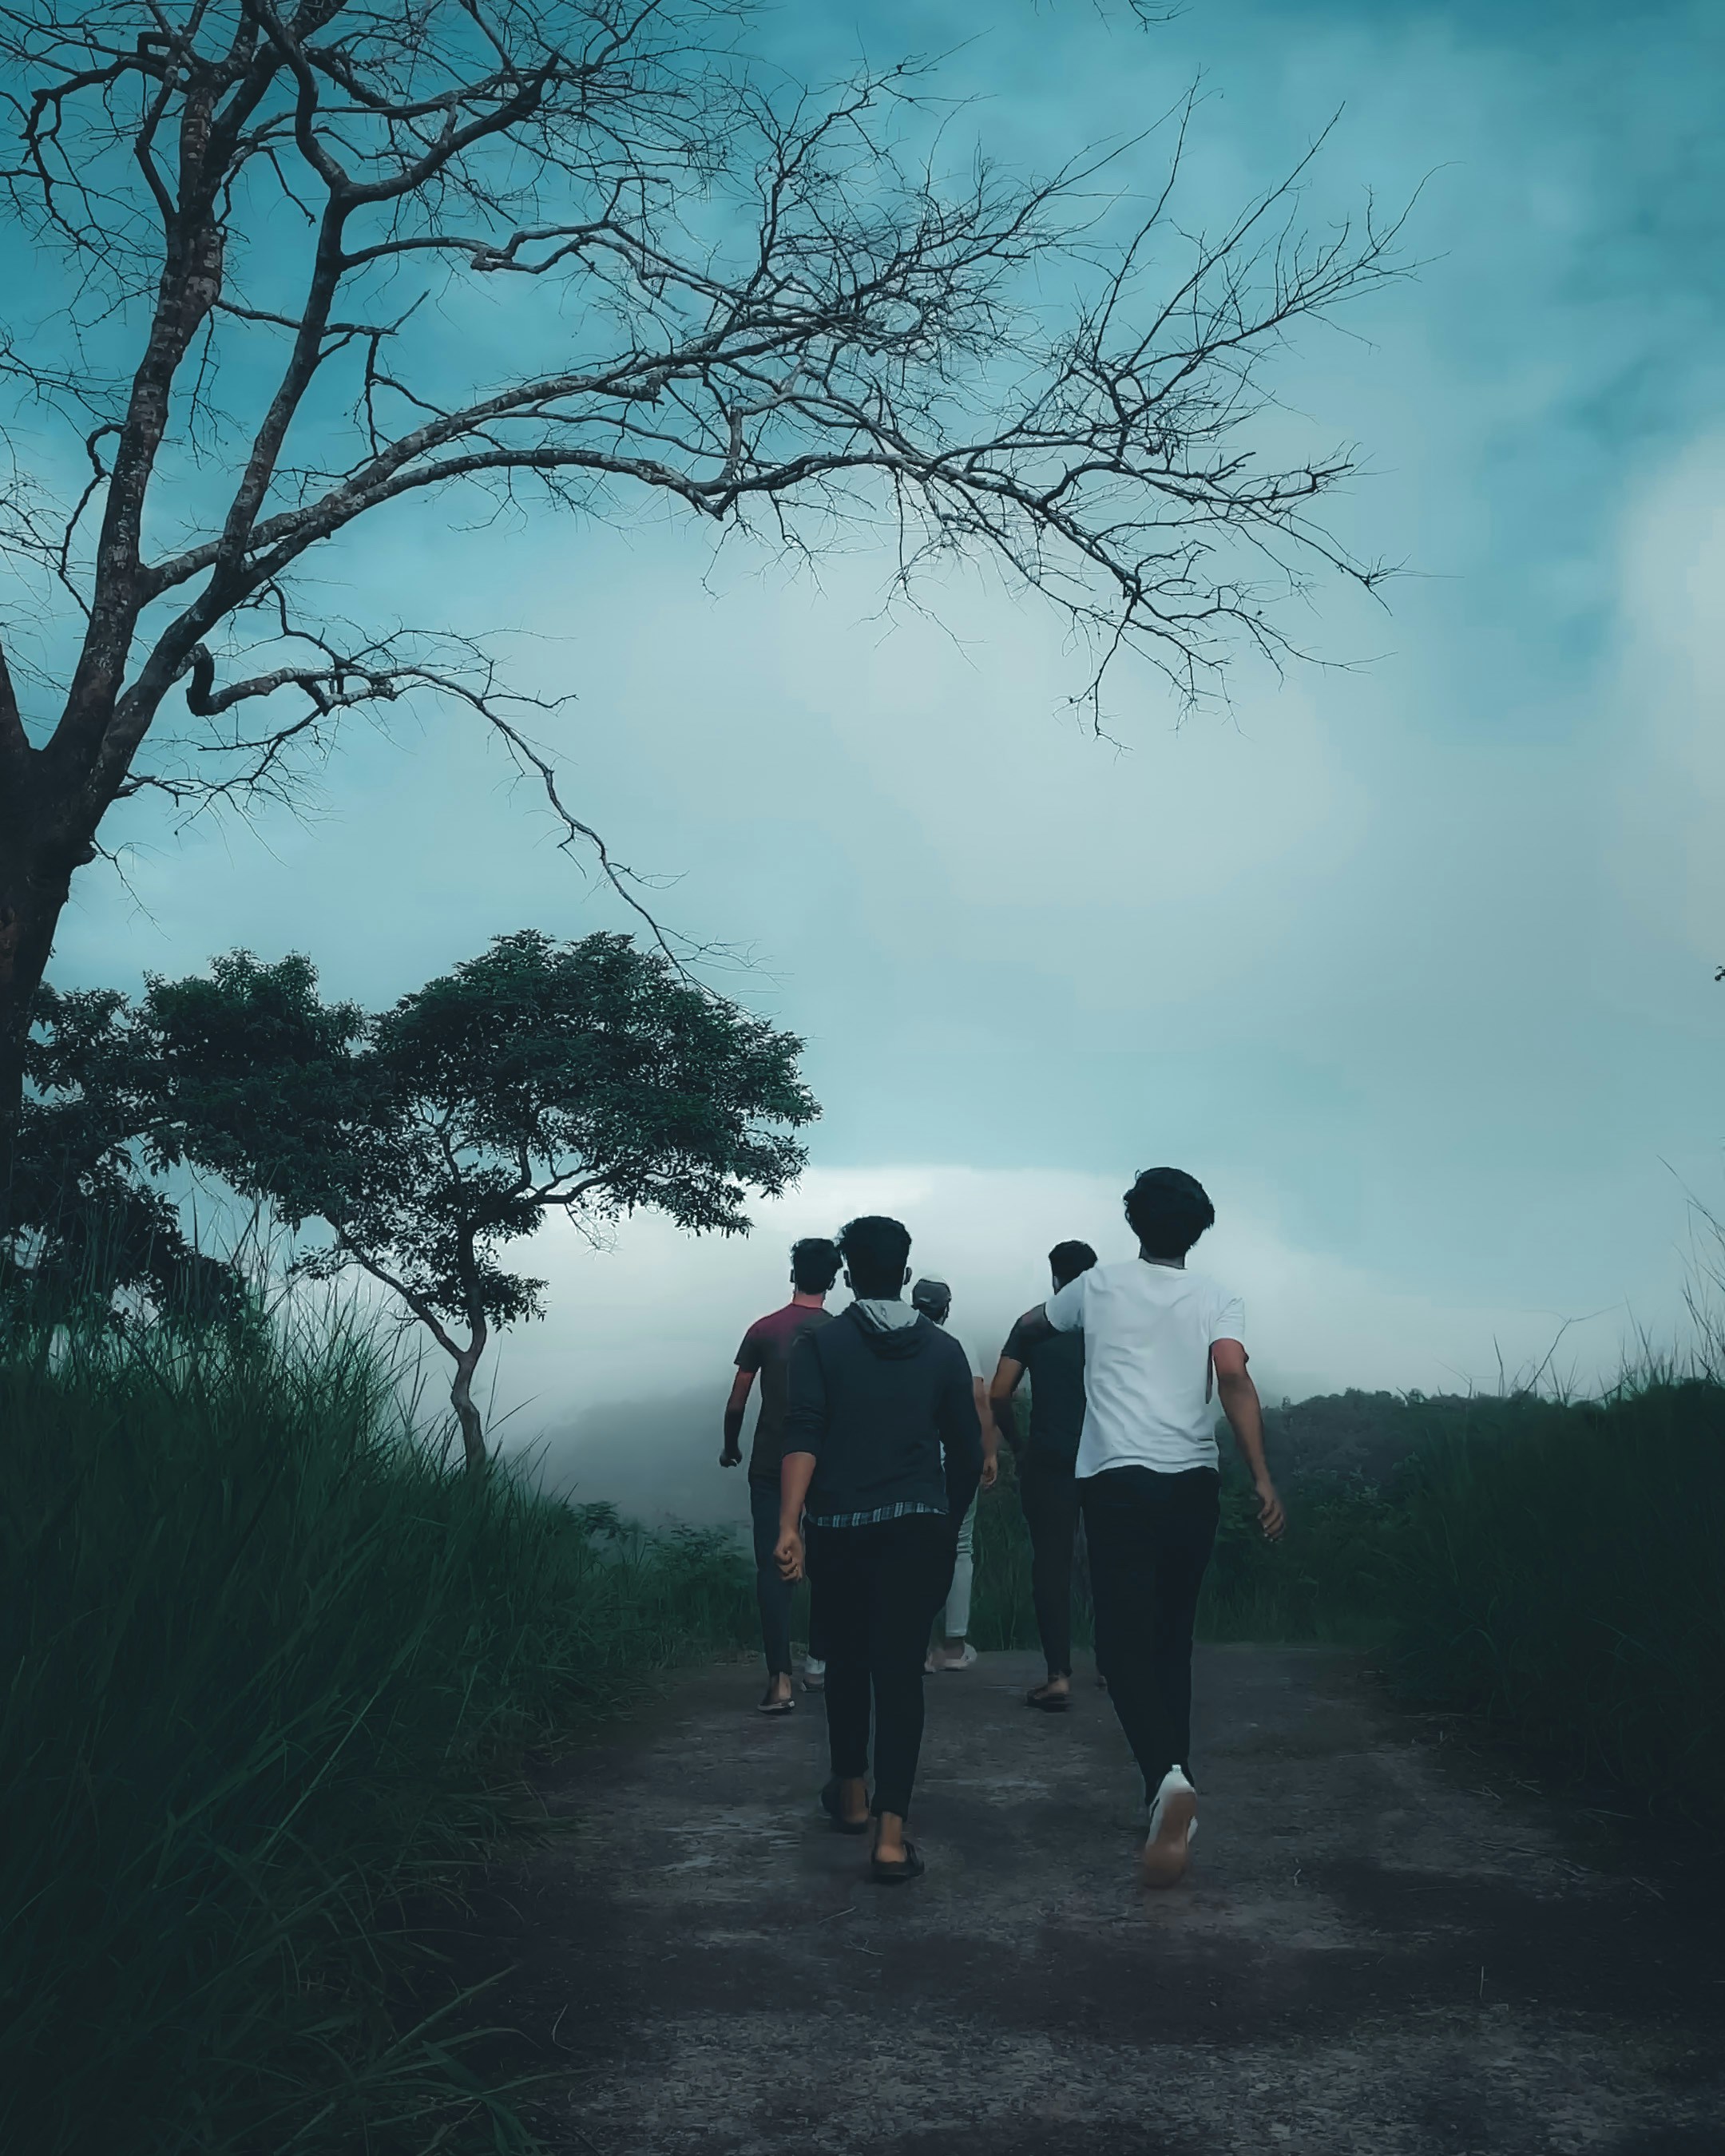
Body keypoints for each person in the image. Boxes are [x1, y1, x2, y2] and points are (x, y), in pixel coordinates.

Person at [1042, 1168, 1284, 1888]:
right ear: (1200, 1227)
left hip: (1117, 1482)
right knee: (1171, 1640)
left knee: (1120, 1642)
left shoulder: (1096, 1287)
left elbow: (1036, 1325)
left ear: (1133, 1221)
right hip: (1194, 1485)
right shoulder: (1219, 1297)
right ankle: (1169, 1791)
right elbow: (1234, 1379)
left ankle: (1166, 1779)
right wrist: (1262, 1477)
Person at [775, 1215, 982, 1885]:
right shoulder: (944, 1350)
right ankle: (891, 1839)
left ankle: (852, 1795)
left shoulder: (822, 1343)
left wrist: (789, 1524)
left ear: (846, 1271)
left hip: (838, 1526)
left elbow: (802, 1431)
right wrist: (944, 1520)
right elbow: (968, 1449)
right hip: (918, 1526)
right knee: (898, 1672)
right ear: (904, 1266)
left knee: (845, 1662)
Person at [721, 1237, 843, 1712]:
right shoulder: (841, 1334)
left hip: (772, 1463)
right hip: (829, 1466)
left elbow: (738, 1401)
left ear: (793, 1275)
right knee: (829, 1564)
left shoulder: (764, 1330)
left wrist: (731, 1446)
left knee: (773, 1567)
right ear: (833, 1281)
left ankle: (780, 1680)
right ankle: (819, 1665)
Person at [989, 1239, 1098, 1710]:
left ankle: (1057, 1676)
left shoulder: (1033, 1324)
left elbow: (999, 1394)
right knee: (1114, 1560)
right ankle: (1116, 1663)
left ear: (1054, 1277)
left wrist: (1019, 1445)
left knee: (1051, 1566)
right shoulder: (1112, 1327)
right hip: (1109, 1457)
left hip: (1050, 1456)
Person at [910, 1276, 1000, 1672]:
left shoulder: (898, 1339)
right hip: (955, 1460)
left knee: (910, 1549)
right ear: (946, 1308)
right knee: (959, 1547)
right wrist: (989, 1451)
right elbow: (980, 1399)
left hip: (909, 1461)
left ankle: (918, 1647)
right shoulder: (959, 1342)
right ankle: (954, 1645)